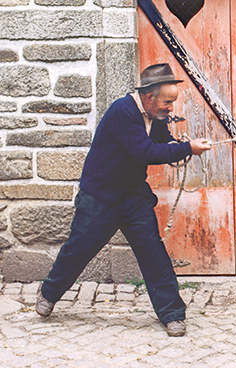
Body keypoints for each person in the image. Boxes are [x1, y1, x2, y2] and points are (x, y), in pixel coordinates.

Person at [36, 63, 212, 337]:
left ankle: (173, 315)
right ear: (149, 95)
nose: (170, 108)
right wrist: (188, 149)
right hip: (100, 196)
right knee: (77, 250)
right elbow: (144, 152)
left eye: (172, 103)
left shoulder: (157, 116)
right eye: (167, 102)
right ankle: (48, 295)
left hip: (133, 197)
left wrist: (182, 145)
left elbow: (163, 143)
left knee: (153, 254)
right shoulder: (122, 111)